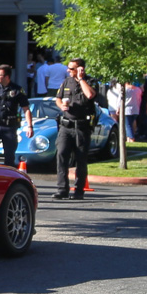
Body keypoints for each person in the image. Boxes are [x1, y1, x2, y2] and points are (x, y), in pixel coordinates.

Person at [50, 57, 96, 199]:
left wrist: (81, 79)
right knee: (62, 155)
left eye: (71, 68)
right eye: (68, 68)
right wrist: (61, 105)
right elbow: (58, 98)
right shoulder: (66, 82)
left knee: (81, 160)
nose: (68, 70)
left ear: (80, 68)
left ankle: (79, 190)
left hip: (81, 127)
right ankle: (62, 189)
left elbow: (90, 95)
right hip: (65, 126)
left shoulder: (90, 81)